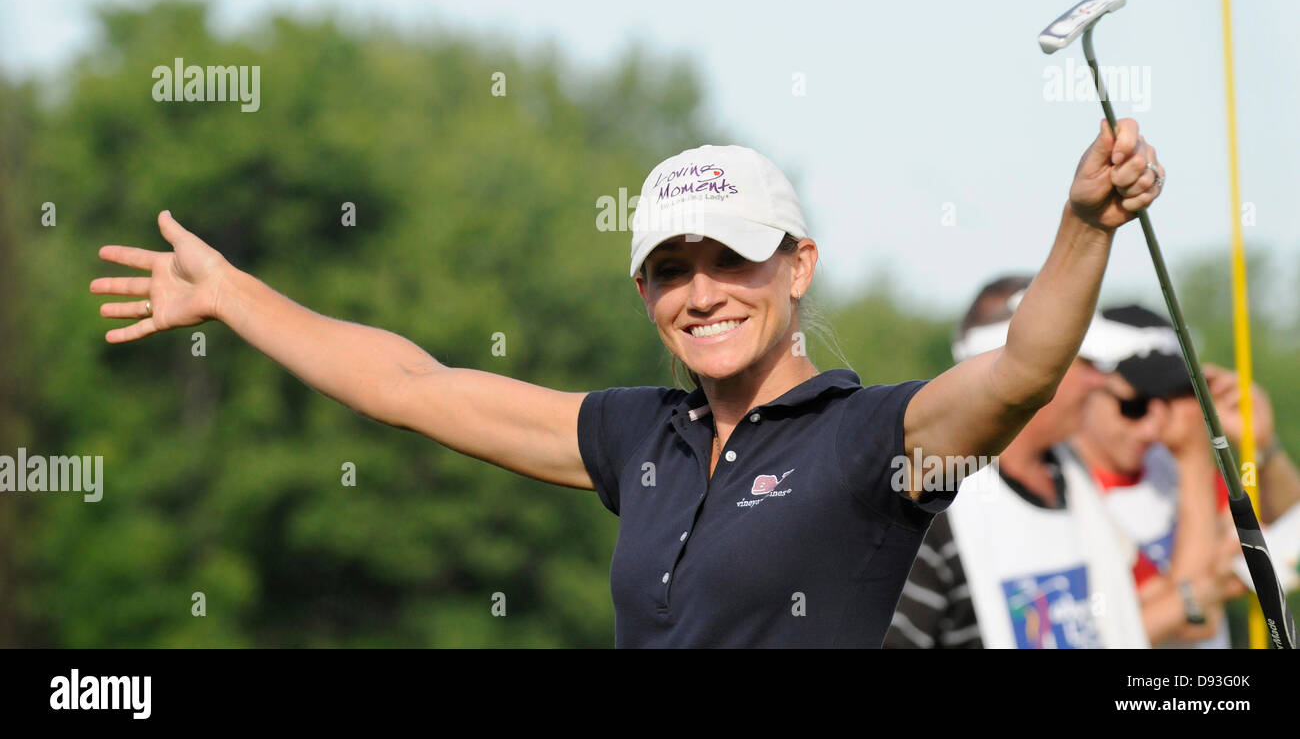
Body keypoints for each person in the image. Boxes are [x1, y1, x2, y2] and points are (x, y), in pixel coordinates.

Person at [91, 119, 1165, 647]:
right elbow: (411, 384)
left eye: (732, 259)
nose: (701, 292)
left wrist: (1080, 229)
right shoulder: (636, 435)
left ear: (797, 264)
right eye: (670, 268)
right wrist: (236, 296)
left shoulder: (868, 436)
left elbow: (1023, 371)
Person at [884, 277, 1150, 649]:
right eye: (1084, 361)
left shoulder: (1072, 474)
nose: (1099, 381)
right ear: (1024, 369)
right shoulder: (931, 503)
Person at [1072, 303, 1300, 647]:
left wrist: (1263, 448)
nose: (1154, 426)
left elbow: (1285, 523)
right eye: (1135, 405)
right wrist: (1195, 457)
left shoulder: (1164, 464)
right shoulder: (1065, 489)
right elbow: (1196, 623)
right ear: (1088, 385)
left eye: (1173, 398)